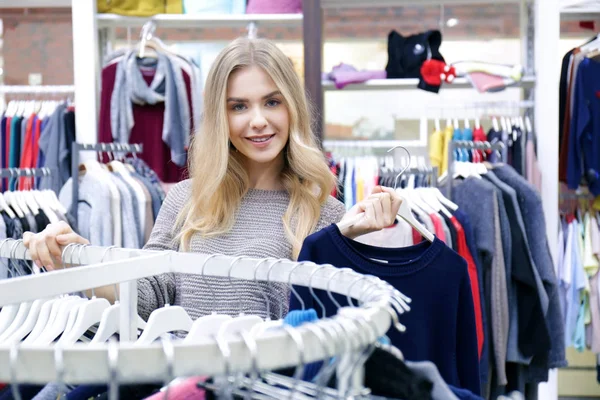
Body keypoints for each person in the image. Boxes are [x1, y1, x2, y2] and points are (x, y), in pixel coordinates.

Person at [23, 37, 401, 321]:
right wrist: (75, 261)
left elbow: (329, 325)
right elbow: (149, 294)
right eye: (239, 106)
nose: (257, 120)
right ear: (220, 116)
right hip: (185, 385)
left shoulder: (326, 213)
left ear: (293, 108)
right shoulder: (187, 199)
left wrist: (355, 238)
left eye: (272, 102)